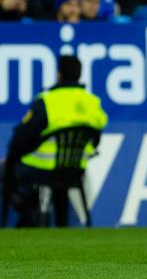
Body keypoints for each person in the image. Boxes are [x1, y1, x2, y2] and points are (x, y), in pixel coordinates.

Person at [4, 55, 107, 227]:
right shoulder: (92, 103)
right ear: (79, 74)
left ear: (59, 74)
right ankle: (60, 224)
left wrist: (12, 156)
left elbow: (21, 138)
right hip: (75, 170)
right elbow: (96, 139)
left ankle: (26, 212)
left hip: (42, 168)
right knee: (61, 184)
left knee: (6, 171)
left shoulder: (47, 101)